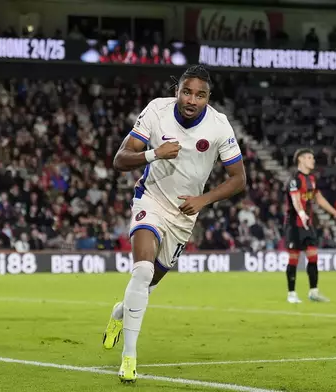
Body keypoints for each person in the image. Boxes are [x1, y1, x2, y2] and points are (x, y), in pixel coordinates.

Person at [103, 65, 247, 383]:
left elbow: (239, 180)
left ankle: (120, 311)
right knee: (140, 271)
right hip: (150, 201)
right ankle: (129, 357)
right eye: (186, 91)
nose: (191, 99)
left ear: (209, 98)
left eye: (200, 94)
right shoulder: (156, 111)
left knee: (149, 284)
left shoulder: (219, 126)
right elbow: (120, 159)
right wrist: (154, 153)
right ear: (177, 90)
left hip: (184, 215)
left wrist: (204, 200)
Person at [284, 148, 336, 304]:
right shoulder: (294, 179)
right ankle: (291, 294)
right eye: (309, 157)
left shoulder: (312, 179)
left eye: (312, 157)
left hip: (308, 224)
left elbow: (319, 199)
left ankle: (314, 292)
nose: (312, 160)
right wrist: (302, 214)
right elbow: (296, 200)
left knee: (313, 257)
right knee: (294, 258)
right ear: (300, 159)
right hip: (295, 225)